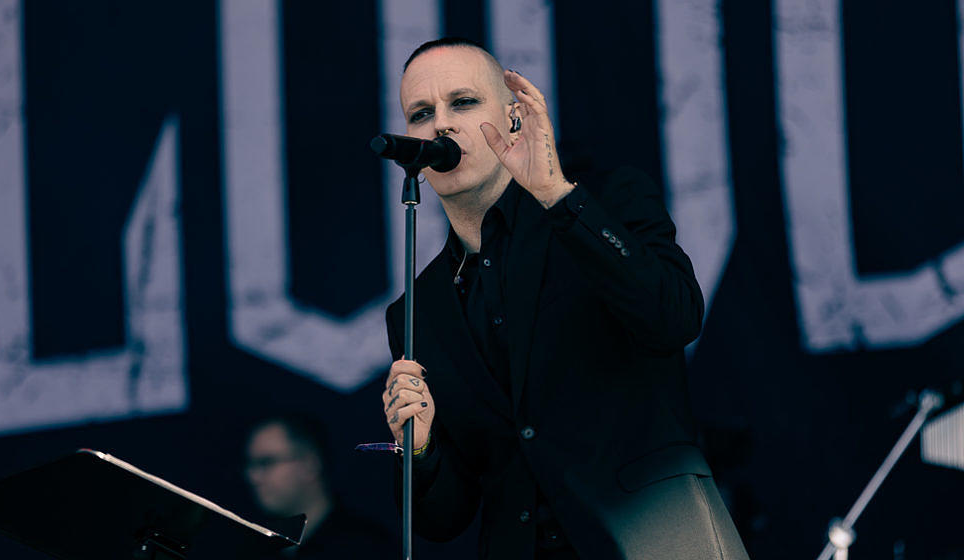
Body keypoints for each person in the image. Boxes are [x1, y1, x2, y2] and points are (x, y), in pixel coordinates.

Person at [380, 37, 750, 559]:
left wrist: (556, 195)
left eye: (462, 102)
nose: (441, 124)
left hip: (655, 537)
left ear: (513, 119)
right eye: (421, 113)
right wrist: (419, 448)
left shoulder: (606, 202)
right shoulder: (418, 311)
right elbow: (444, 519)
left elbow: (675, 317)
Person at [244, 414, 395, 558]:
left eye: (266, 462)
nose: (253, 476)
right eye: (250, 465)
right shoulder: (257, 549)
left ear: (310, 464)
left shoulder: (365, 547)